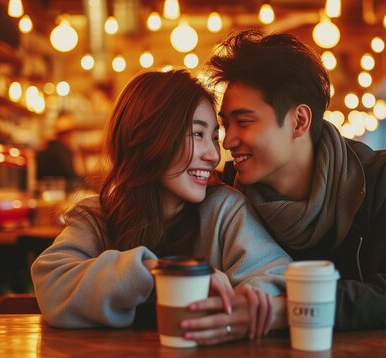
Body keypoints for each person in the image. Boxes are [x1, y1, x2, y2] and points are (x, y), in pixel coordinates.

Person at [183, 30, 386, 338]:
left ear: (299, 121)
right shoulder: (226, 194)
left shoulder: (380, 178)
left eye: (244, 122)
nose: (229, 140)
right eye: (226, 124)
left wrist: (288, 309)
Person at [31, 70, 291, 342]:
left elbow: (278, 277)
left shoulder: (224, 208)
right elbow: (51, 284)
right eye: (197, 134)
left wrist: (246, 303)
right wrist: (156, 272)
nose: (213, 155)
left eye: (214, 136)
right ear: (150, 137)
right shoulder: (97, 215)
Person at [36, 112, 82, 192]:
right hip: (62, 193)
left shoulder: (46, 149)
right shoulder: (65, 152)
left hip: (45, 193)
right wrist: (76, 152)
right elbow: (75, 176)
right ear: (68, 133)